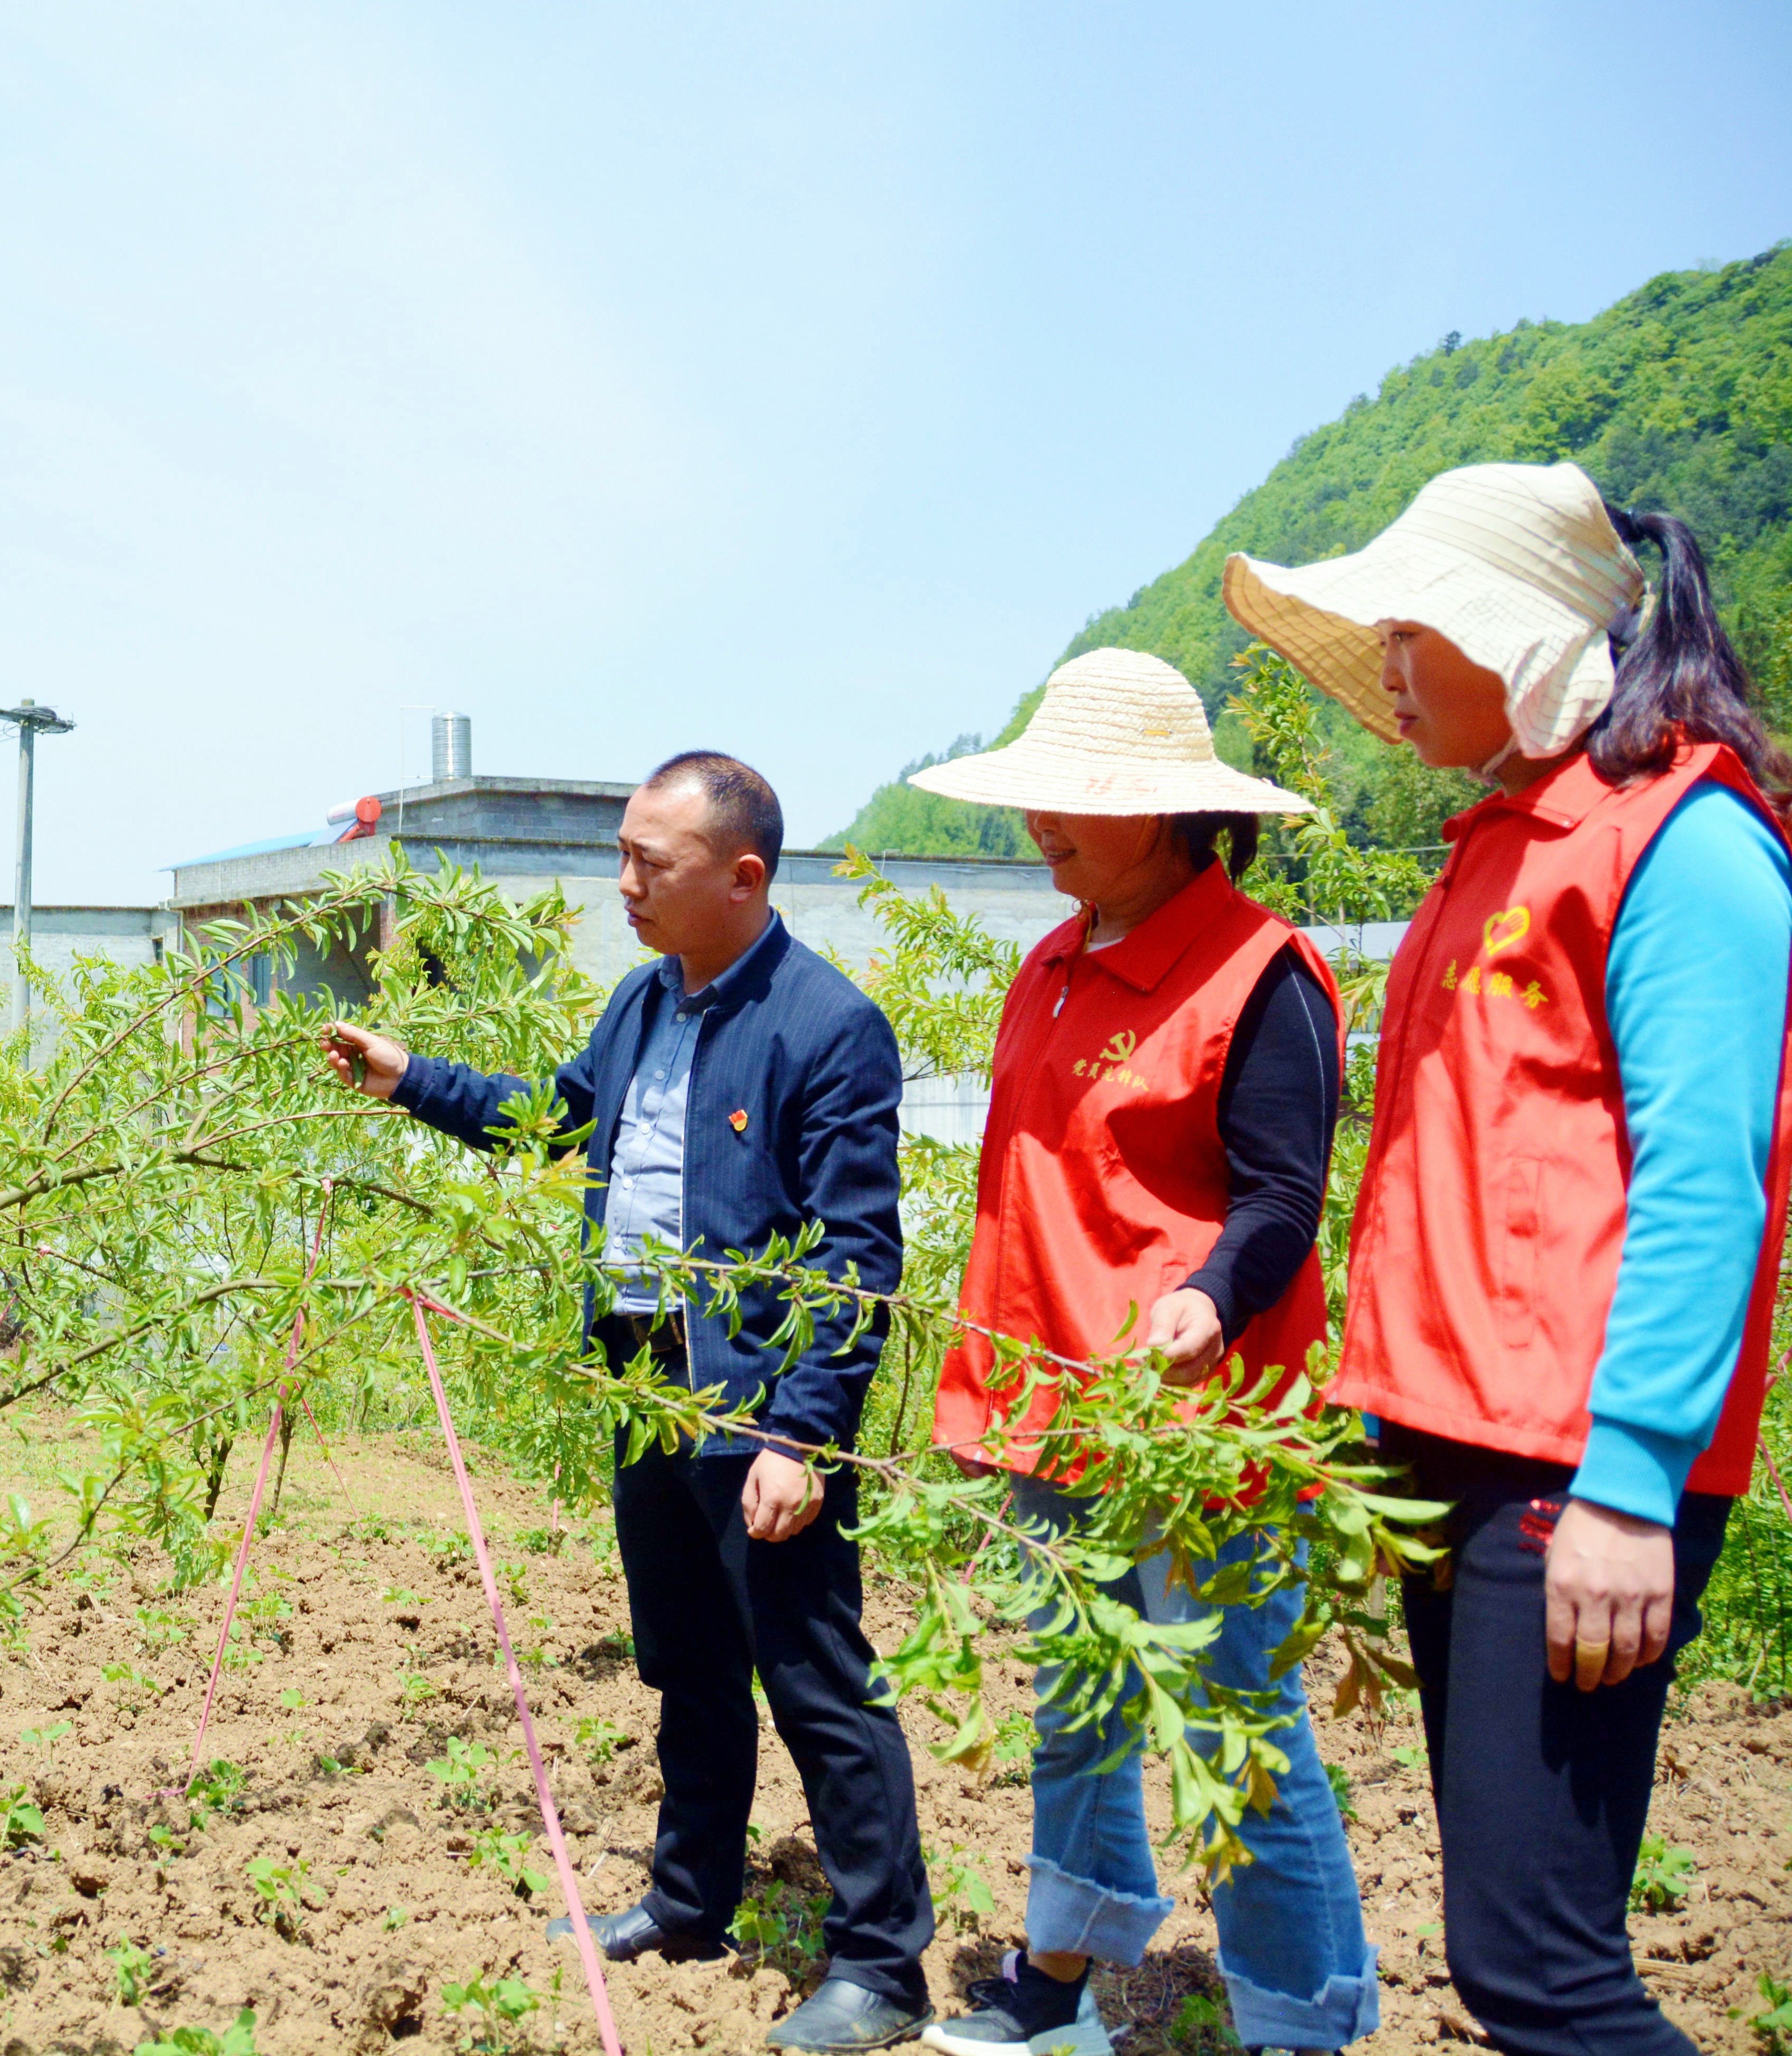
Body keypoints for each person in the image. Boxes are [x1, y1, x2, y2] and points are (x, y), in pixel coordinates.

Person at [1222, 461, 1792, 2056]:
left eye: (1414, 630)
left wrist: (1627, 1486)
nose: (1387, 667)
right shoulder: (1494, 848)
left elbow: (1704, 1180)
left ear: (1521, 639)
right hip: (1446, 1448)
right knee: (1527, 1943)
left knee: (1536, 1969)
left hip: (1566, 1473)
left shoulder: (1684, 840)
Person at [323, 752, 936, 2053]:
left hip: (755, 1393)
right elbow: (555, 1123)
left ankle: (883, 1967)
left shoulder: (825, 1028)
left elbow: (853, 1254)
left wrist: (799, 1431)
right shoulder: (640, 1005)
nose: (623, 887)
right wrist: (408, 1078)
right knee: (687, 1663)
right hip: (644, 1372)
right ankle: (687, 1902)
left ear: (742, 875)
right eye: (621, 856)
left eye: (647, 865)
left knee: (814, 1674)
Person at [905, 650, 1376, 2056]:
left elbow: (1280, 1195)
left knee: (1239, 1727)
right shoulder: (1050, 961)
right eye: (1037, 799)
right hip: (1055, 1409)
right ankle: (1055, 1991)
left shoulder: (1259, 971)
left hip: (1191, 1426)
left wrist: (1212, 1299)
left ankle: (1302, 2026)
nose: (1041, 826)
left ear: (1175, 815)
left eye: (1077, 802)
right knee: (1081, 1699)